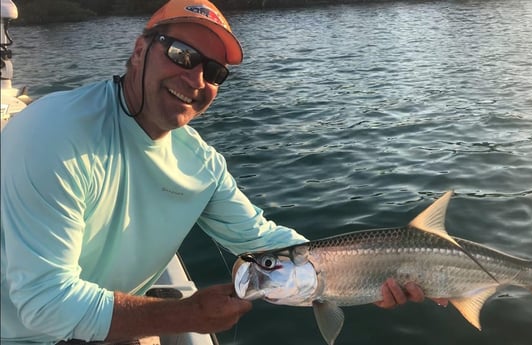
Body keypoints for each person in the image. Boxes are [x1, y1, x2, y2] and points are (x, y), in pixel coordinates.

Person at [0, 1, 430, 344]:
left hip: (108, 325)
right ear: (138, 50)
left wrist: (372, 272)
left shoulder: (201, 164)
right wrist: (187, 314)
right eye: (181, 55)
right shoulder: (55, 134)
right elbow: (44, 303)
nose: (196, 79)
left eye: (214, 71)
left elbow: (266, 241)